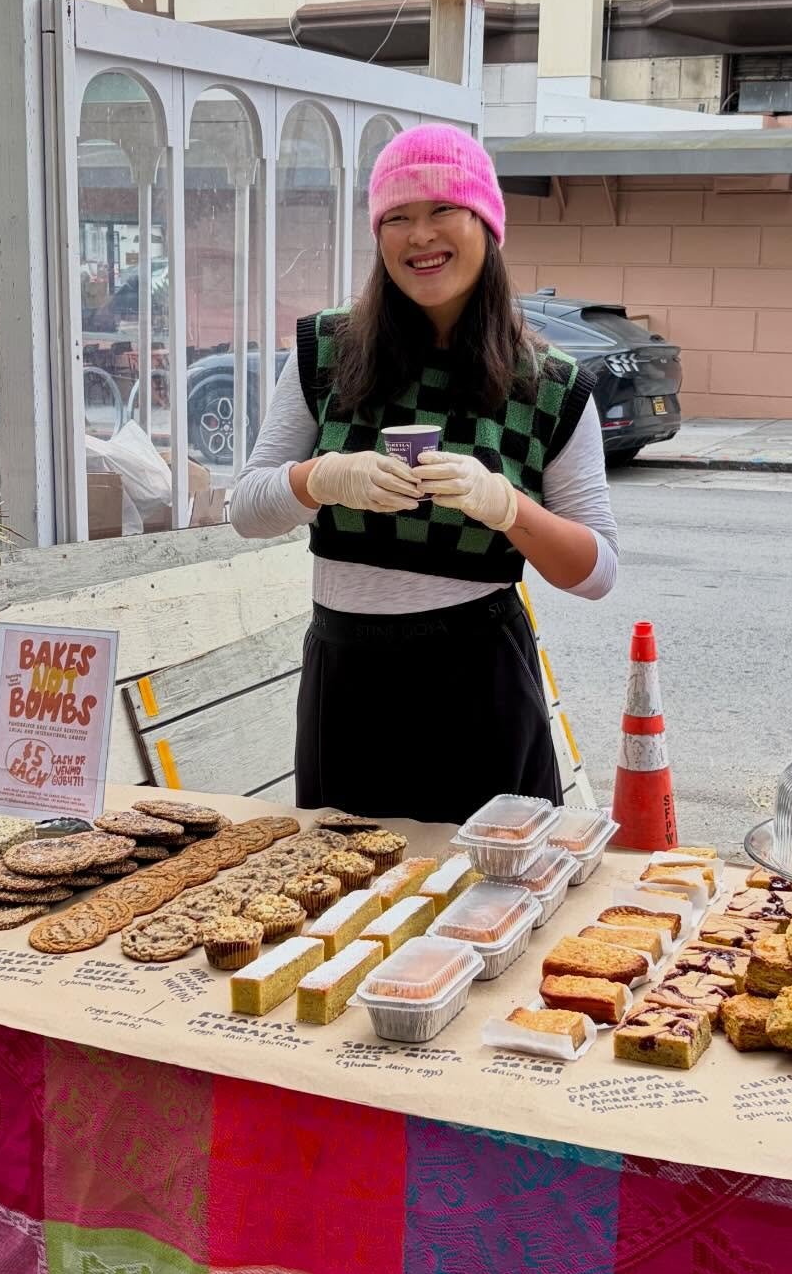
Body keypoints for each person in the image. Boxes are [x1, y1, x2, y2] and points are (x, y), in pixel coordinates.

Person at [230, 124, 618, 824]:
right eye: (398, 217)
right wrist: (320, 478)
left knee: (494, 903)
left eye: (443, 210)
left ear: (486, 223)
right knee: (341, 901)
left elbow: (596, 572)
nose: (419, 235)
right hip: (345, 678)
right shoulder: (329, 352)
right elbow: (247, 508)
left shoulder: (549, 385)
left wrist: (507, 509)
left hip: (481, 680)